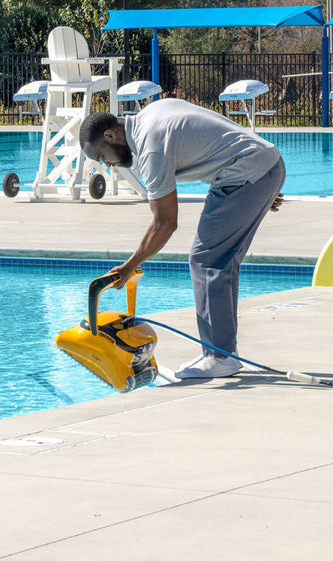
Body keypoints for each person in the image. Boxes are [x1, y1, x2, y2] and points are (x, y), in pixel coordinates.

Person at [79, 98, 285, 379]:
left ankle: (219, 356)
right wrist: (262, 186)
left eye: (102, 157)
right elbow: (219, 135)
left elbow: (165, 223)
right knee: (222, 262)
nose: (108, 164)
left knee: (206, 260)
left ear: (110, 135)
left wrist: (128, 267)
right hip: (267, 163)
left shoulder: (151, 148)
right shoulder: (153, 112)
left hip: (246, 173)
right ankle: (224, 354)